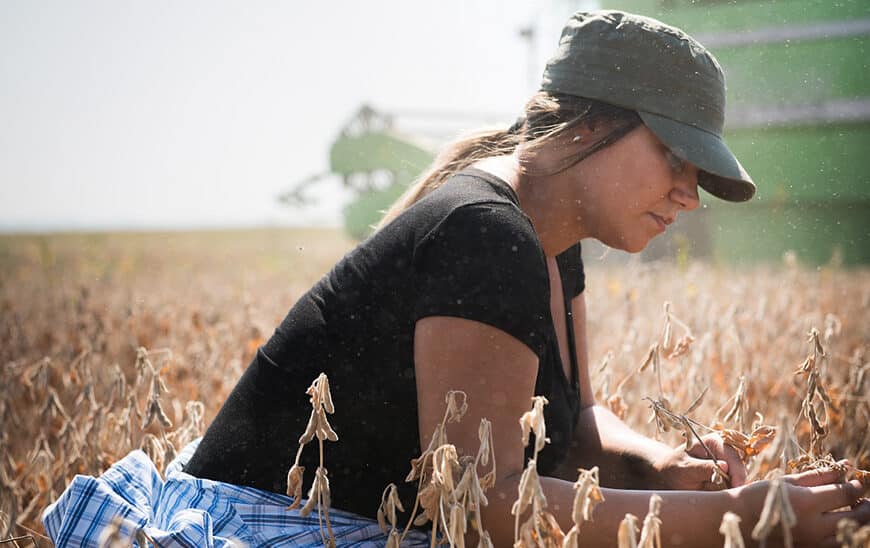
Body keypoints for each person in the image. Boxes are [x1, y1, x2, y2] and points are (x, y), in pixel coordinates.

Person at [43, 9, 869, 548]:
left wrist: (663, 469)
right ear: (590, 124)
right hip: (268, 531)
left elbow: (572, 426)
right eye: (675, 156)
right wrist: (749, 521)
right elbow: (490, 510)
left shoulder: (549, 239)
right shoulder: (486, 234)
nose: (689, 193)